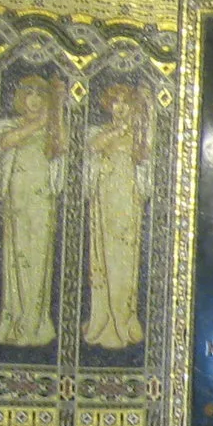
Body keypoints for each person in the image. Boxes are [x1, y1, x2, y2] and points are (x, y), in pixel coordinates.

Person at [0, 75, 63, 349]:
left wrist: (57, 113)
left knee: (39, 256)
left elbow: (61, 146)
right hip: (17, 197)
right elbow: (7, 141)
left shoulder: (51, 127)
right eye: (29, 94)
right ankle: (16, 318)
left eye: (40, 95)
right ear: (21, 98)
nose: (34, 100)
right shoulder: (10, 124)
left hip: (42, 196)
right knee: (17, 256)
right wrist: (40, 122)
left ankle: (35, 322)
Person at [81, 80, 151, 352]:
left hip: (127, 200)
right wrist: (117, 131)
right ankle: (104, 319)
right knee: (104, 257)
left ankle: (124, 320)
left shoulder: (140, 135)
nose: (120, 108)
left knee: (124, 259)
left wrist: (147, 111)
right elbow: (94, 147)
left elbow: (144, 153)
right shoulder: (99, 131)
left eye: (126, 103)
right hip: (104, 199)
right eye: (116, 102)